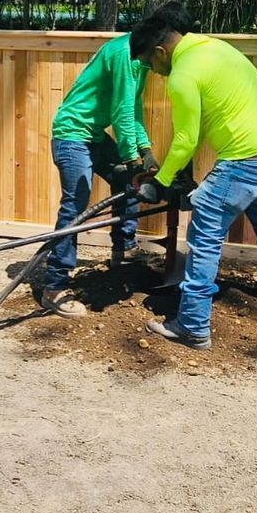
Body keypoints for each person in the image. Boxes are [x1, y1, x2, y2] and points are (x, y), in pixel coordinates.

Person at [130, 2, 257, 350]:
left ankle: (193, 325)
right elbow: (196, 132)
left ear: (161, 51)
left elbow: (185, 139)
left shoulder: (182, 74)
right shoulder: (215, 47)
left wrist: (159, 181)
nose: (154, 71)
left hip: (243, 161)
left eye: (150, 63)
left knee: (204, 235)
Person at [41, 32, 158, 319]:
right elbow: (120, 111)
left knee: (125, 181)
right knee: (75, 206)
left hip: (92, 136)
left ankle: (124, 250)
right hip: (71, 135)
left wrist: (145, 150)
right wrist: (131, 157)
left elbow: (133, 109)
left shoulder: (139, 62)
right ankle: (54, 287)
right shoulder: (122, 54)